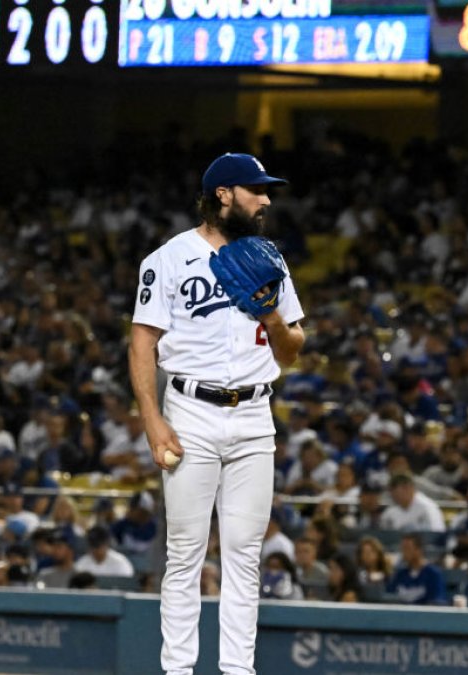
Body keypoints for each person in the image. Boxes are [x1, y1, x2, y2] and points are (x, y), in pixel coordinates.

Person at [129, 153, 304, 675]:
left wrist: (271, 314)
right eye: (256, 190)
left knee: (244, 557)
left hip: (254, 416)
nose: (267, 199)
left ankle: (237, 671)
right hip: (189, 412)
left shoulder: (271, 258)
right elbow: (142, 345)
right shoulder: (168, 258)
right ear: (224, 194)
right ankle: (178, 670)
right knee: (185, 553)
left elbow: (292, 349)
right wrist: (152, 420)